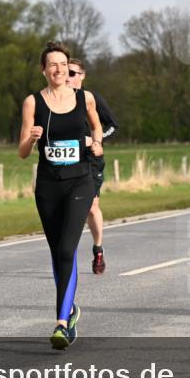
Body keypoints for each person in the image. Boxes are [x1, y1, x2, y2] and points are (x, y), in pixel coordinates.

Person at [19, 42, 103, 350]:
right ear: (44, 70)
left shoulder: (85, 98)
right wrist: (31, 138)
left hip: (79, 182)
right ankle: (71, 308)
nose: (58, 69)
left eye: (62, 64)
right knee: (58, 252)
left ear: (69, 69)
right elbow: (22, 152)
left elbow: (97, 127)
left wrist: (97, 144)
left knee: (67, 249)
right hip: (48, 185)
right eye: (52, 64)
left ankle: (62, 323)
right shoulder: (33, 102)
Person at [66, 58, 118, 275]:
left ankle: (98, 249)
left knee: (91, 207)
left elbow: (113, 125)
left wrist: (96, 141)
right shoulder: (58, 100)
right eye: (65, 72)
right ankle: (67, 256)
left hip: (91, 159)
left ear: (82, 75)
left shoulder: (91, 98)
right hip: (68, 160)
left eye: (72, 73)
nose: (68, 77)